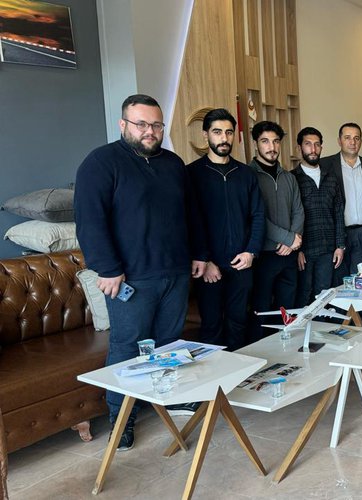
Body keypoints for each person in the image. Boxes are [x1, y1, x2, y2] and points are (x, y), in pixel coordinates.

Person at [74, 94, 206, 451]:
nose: (150, 131)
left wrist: (199, 254)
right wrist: (108, 268)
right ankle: (122, 420)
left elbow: (191, 214)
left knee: (169, 344)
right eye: (142, 124)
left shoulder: (173, 164)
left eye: (156, 125)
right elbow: (90, 221)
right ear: (123, 125)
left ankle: (170, 400)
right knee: (126, 348)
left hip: (175, 273)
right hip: (129, 279)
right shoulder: (101, 163)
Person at [187, 108, 265, 351]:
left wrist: (251, 252)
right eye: (217, 132)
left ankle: (238, 371)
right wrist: (204, 259)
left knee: (239, 323)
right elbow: (189, 222)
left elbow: (258, 215)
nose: (224, 138)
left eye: (229, 132)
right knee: (211, 326)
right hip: (208, 266)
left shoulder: (246, 174)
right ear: (205, 135)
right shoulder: (191, 174)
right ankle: (215, 375)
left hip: (242, 263)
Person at [249, 121, 304, 342]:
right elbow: (256, 216)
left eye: (275, 141)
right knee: (261, 310)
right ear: (256, 144)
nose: (271, 147)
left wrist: (293, 241)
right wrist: (288, 238)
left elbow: (298, 211)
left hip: (289, 255)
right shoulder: (248, 176)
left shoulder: (289, 177)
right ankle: (261, 353)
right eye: (265, 141)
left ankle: (285, 352)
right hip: (263, 255)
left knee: (287, 309)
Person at [320, 123, 362, 283]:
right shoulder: (325, 165)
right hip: (337, 233)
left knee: (361, 281)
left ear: (361, 141)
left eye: (356, 138)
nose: (352, 142)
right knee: (338, 281)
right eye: (347, 138)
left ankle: (360, 301)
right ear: (339, 141)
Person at [293, 127, 346, 304]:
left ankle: (321, 324)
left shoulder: (331, 177)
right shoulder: (292, 178)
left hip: (327, 249)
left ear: (321, 147)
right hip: (304, 250)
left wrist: (340, 245)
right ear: (299, 148)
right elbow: (289, 216)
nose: (313, 149)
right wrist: (297, 250)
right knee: (303, 296)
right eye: (308, 144)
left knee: (324, 296)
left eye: (317, 144)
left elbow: (338, 212)